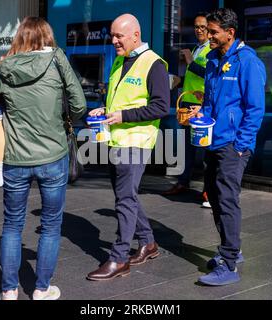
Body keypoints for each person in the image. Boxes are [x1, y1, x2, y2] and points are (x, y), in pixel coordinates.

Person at [0, 17, 86, 299]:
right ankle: (41, 289)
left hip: (15, 159)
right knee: (50, 224)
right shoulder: (57, 61)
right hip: (53, 156)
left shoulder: (3, 67)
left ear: (19, 38)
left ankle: (9, 291)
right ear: (48, 37)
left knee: (12, 225)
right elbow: (80, 104)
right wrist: (64, 123)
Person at [86, 13, 170, 281]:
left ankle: (119, 258)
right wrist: (107, 109)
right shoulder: (121, 61)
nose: (114, 41)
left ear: (136, 35)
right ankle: (148, 243)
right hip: (117, 139)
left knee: (124, 199)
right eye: (112, 35)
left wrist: (122, 116)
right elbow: (121, 99)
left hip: (136, 141)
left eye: (118, 36)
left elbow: (161, 107)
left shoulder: (154, 64)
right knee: (126, 196)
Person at [197, 8, 266, 286]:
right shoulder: (212, 58)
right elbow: (210, 101)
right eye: (208, 30)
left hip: (233, 145)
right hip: (213, 140)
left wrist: (241, 145)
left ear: (230, 33)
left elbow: (255, 109)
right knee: (213, 196)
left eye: (213, 32)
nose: (208, 36)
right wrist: (199, 116)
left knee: (226, 200)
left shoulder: (248, 62)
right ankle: (232, 250)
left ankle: (228, 264)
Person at [162, 12, 212, 209]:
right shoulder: (197, 49)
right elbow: (193, 76)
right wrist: (178, 81)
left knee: (207, 151)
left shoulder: (211, 50)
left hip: (202, 108)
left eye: (203, 27)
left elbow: (210, 75)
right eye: (197, 26)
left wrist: (191, 61)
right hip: (186, 105)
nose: (199, 30)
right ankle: (183, 182)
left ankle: (209, 191)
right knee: (187, 148)